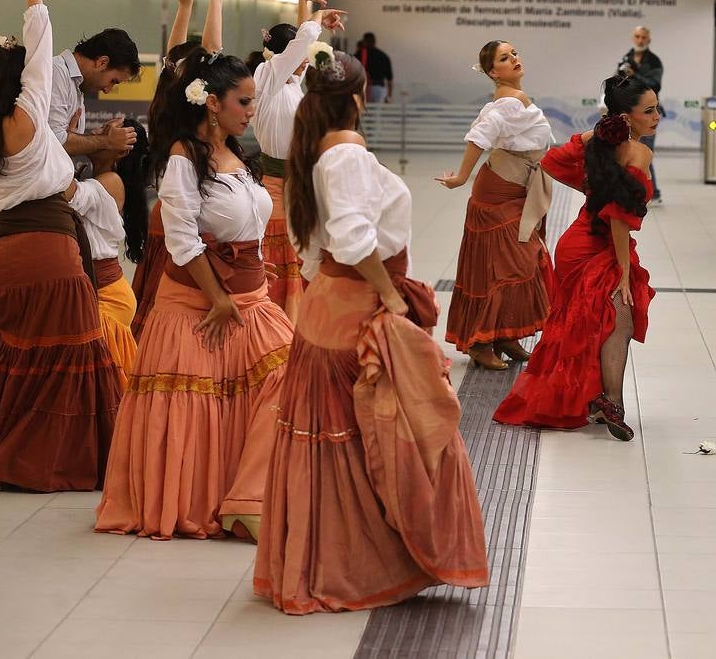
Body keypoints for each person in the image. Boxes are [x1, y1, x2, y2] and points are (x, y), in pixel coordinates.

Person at [255, 50, 488, 614]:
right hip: (357, 310)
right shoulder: (348, 157)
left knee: (336, 439)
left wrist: (329, 291)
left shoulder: (312, 152)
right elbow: (355, 239)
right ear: (358, 100)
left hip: (323, 312)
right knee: (382, 438)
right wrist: (387, 294)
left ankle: (322, 560)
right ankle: (364, 564)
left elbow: (311, 250)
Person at [96, 51, 293, 541]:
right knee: (207, 408)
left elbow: (244, 224)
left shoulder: (236, 153)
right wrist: (220, 297)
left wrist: (249, 271)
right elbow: (182, 240)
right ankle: (234, 504)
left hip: (252, 300)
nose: (252, 110)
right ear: (211, 104)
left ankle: (250, 496)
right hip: (198, 310)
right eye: (243, 101)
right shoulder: (184, 158)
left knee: (291, 379)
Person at [0, 0, 121, 491]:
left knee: (16, 356)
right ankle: (43, 460)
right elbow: (43, 64)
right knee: (64, 356)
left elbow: (37, 69)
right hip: (51, 255)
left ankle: (2, 457)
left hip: (4, 257)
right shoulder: (30, 117)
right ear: (20, 82)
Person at [494, 75, 658, 442]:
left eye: (656, 108)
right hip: (597, 247)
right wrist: (623, 269)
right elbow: (618, 218)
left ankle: (601, 400)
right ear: (627, 117)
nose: (657, 116)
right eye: (649, 111)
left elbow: (553, 161)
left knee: (597, 323)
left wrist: (592, 138)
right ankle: (610, 401)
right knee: (621, 318)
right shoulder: (639, 153)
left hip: (579, 243)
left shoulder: (602, 146)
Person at [437, 41, 554, 371]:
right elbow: (479, 137)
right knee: (507, 265)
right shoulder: (506, 103)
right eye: (505, 58)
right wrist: (461, 177)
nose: (514, 59)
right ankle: (480, 342)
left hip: (516, 187)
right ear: (492, 72)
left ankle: (504, 334)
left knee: (519, 261)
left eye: (514, 53)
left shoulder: (512, 98)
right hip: (499, 192)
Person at [132, 0, 225, 338]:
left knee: (160, 310)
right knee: (190, 309)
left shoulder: (165, 106)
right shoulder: (200, 119)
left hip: (163, 219)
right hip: (193, 221)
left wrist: (185, 7)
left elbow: (176, 59)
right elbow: (213, 55)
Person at [250, 0, 346, 321]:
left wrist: (304, 7)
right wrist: (311, 7)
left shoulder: (289, 80)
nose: (307, 59)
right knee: (281, 254)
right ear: (282, 54)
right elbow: (304, 40)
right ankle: (278, 323)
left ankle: (300, 320)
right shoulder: (268, 76)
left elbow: (302, 46)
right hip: (275, 184)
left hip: (299, 180)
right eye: (299, 54)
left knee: (303, 251)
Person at [69, 119, 150, 380]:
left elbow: (65, 196)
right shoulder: (95, 177)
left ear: (122, 149)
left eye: (104, 132)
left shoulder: (110, 181)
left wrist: (59, 141)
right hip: (100, 289)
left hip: (107, 296)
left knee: (105, 386)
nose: (94, 133)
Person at [47, 6, 141, 176]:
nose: (107, 90)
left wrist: (93, 137)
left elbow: (65, 140)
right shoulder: (56, 73)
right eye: (113, 81)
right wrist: (107, 140)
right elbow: (55, 141)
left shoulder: (78, 85)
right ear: (102, 62)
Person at [618, 25, 663, 205]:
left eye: (643, 37)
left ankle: (653, 192)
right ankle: (634, 190)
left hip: (647, 112)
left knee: (645, 151)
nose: (640, 40)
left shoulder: (654, 62)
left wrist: (635, 75)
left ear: (649, 40)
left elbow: (655, 85)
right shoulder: (626, 58)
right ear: (633, 38)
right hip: (628, 111)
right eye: (637, 36)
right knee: (628, 151)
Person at [355, 32, 393, 103]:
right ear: (374, 42)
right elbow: (389, 78)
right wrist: (389, 95)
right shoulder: (383, 56)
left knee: (365, 112)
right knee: (377, 113)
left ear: (364, 41)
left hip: (365, 87)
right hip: (379, 88)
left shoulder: (360, 54)